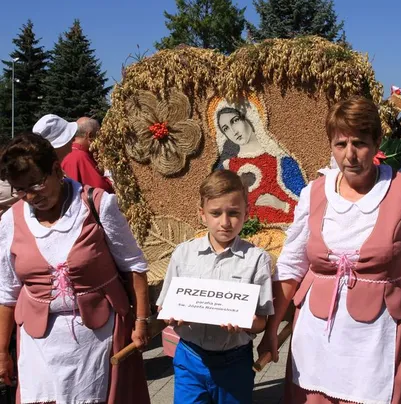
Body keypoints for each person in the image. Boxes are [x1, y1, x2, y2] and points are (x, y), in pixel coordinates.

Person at [259, 97, 401, 404]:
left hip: (376, 338)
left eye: (359, 143)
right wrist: (272, 327)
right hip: (317, 337)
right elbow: (291, 266)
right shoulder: (313, 193)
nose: (350, 155)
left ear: (377, 141)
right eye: (340, 144)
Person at [0, 133, 150, 403]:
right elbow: (7, 292)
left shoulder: (97, 205)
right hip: (38, 344)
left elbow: (134, 266)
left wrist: (141, 321)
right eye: (20, 190)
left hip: (97, 336)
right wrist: (2, 352)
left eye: (36, 184)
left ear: (56, 170)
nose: (31, 196)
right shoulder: (11, 220)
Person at [156, 169, 274, 404]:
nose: (225, 222)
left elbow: (261, 321)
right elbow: (163, 309)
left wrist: (243, 322)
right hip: (190, 357)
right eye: (215, 213)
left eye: (233, 213)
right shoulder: (184, 253)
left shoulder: (257, 259)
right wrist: (173, 317)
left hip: (235, 362)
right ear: (202, 214)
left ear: (246, 214)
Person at [213, 101, 307, 224]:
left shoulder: (281, 162)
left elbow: (306, 208)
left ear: (249, 118)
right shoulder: (226, 168)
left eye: (235, 121)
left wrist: (281, 205)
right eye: (226, 128)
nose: (233, 131)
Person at [62, 117, 114, 193]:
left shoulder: (66, 152)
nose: (100, 140)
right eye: (98, 135)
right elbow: (101, 190)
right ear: (90, 135)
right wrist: (108, 170)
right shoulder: (80, 156)